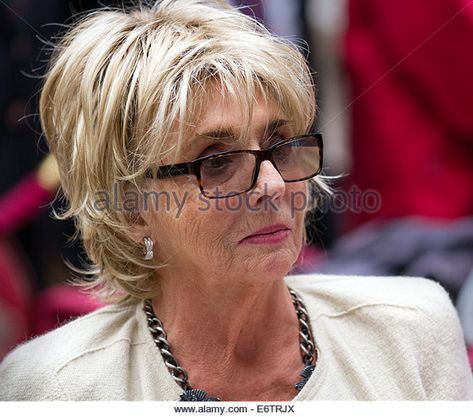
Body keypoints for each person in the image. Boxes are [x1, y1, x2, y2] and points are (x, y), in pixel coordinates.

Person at [0, 0, 472, 401]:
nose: (271, 186)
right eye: (217, 161)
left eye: (282, 144)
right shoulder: (54, 385)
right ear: (131, 208)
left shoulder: (413, 329)